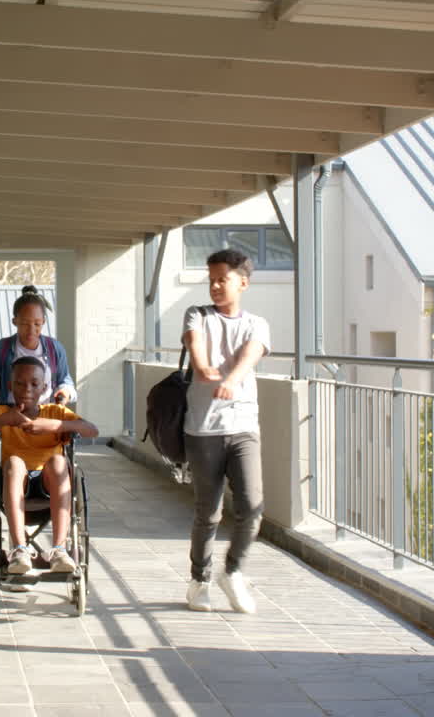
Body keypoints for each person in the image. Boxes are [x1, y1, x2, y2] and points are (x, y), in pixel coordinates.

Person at [182, 248, 270, 614]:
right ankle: (199, 580)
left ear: (243, 283)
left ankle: (233, 572)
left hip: (244, 426)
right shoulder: (197, 315)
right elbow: (195, 345)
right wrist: (202, 368)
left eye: (224, 279)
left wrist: (231, 380)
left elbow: (250, 355)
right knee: (209, 511)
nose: (215, 286)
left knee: (252, 506)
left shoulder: (257, 324)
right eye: (212, 279)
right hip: (203, 428)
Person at [0, 356, 99, 575]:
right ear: (9, 386)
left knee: (58, 461)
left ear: (44, 387)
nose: (27, 389)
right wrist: (1, 422)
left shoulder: (55, 412)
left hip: (48, 484)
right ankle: (19, 549)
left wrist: (54, 425)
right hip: (15, 484)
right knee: (14, 463)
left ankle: (59, 550)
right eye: (20, 383)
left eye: (35, 384)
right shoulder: (1, 413)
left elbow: (92, 430)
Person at [0, 286, 75, 407]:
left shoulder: (55, 348)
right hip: (10, 417)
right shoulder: (0, 349)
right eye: (25, 323)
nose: (31, 330)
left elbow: (66, 382)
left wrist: (65, 392)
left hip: (46, 418)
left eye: (37, 323)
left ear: (44, 321)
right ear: (15, 321)